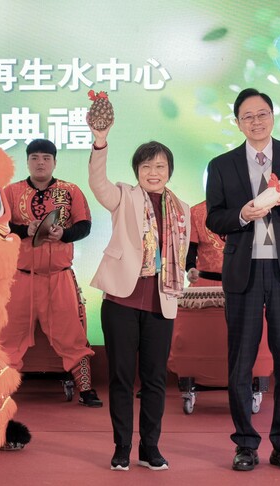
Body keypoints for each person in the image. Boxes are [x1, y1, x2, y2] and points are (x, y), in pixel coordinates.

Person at [205, 88, 280, 472]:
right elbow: (214, 218)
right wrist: (242, 215)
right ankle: (245, 444)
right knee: (241, 360)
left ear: (272, 116)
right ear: (238, 123)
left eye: (262, 114)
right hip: (245, 269)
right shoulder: (221, 165)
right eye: (248, 116)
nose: (256, 121)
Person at [87, 118, 190, 471]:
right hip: (121, 300)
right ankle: (121, 447)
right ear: (137, 171)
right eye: (146, 166)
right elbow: (97, 183)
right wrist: (100, 142)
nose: (153, 172)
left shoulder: (181, 209)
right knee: (120, 376)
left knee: (155, 379)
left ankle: (150, 448)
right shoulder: (123, 196)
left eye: (160, 166)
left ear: (169, 171)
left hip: (162, 301)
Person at [0, 139, 102, 408]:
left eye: (46, 157)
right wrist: (25, 230)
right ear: (27, 162)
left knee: (72, 335)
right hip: (21, 277)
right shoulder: (10, 192)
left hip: (59, 276)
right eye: (34, 157)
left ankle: (85, 388)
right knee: (8, 336)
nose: (40, 162)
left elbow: (85, 226)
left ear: (55, 162)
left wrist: (64, 234)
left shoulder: (70, 191)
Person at [187, 200, 280, 399]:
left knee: (274, 334)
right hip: (208, 282)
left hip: (252, 278)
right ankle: (210, 379)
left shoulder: (258, 203)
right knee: (219, 339)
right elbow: (190, 247)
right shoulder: (197, 212)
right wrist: (189, 267)